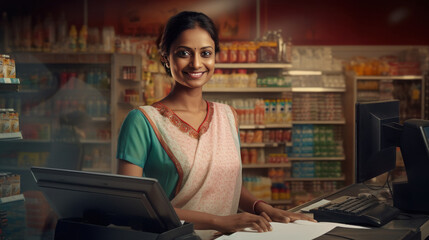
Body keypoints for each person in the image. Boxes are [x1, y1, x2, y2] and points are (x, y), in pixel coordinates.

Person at [116, 11, 315, 238]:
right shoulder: (143, 121)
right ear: (165, 57)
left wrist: (264, 208)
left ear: (215, 57)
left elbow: (227, 186)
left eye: (206, 53)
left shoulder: (227, 116)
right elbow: (130, 205)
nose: (196, 63)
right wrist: (217, 221)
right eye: (183, 53)